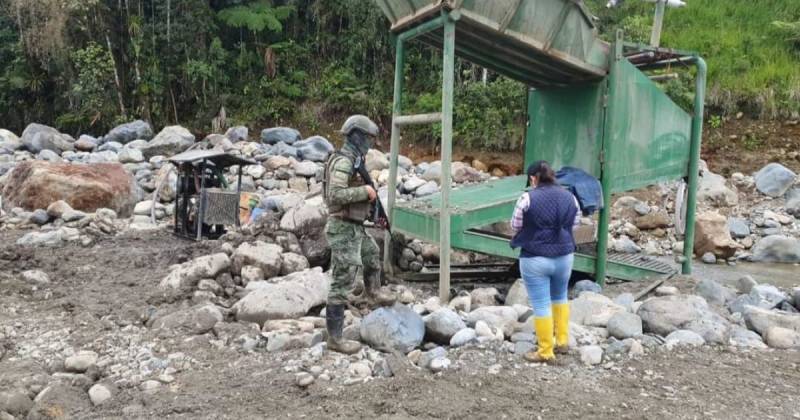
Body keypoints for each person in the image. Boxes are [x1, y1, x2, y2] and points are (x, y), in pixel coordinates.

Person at [322, 114, 396, 354]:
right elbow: (335, 196)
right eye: (368, 138)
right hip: (342, 227)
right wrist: (364, 192)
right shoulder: (344, 162)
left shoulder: (354, 159)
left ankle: (372, 292)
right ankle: (335, 339)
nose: (370, 143)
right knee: (342, 280)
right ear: (357, 136)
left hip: (353, 225)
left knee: (371, 253)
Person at [510, 160, 581, 363]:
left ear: (534, 178)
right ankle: (562, 341)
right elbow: (574, 225)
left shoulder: (527, 198)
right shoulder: (570, 197)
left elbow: (515, 225)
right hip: (565, 256)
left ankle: (545, 351)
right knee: (560, 297)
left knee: (541, 304)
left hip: (535, 257)